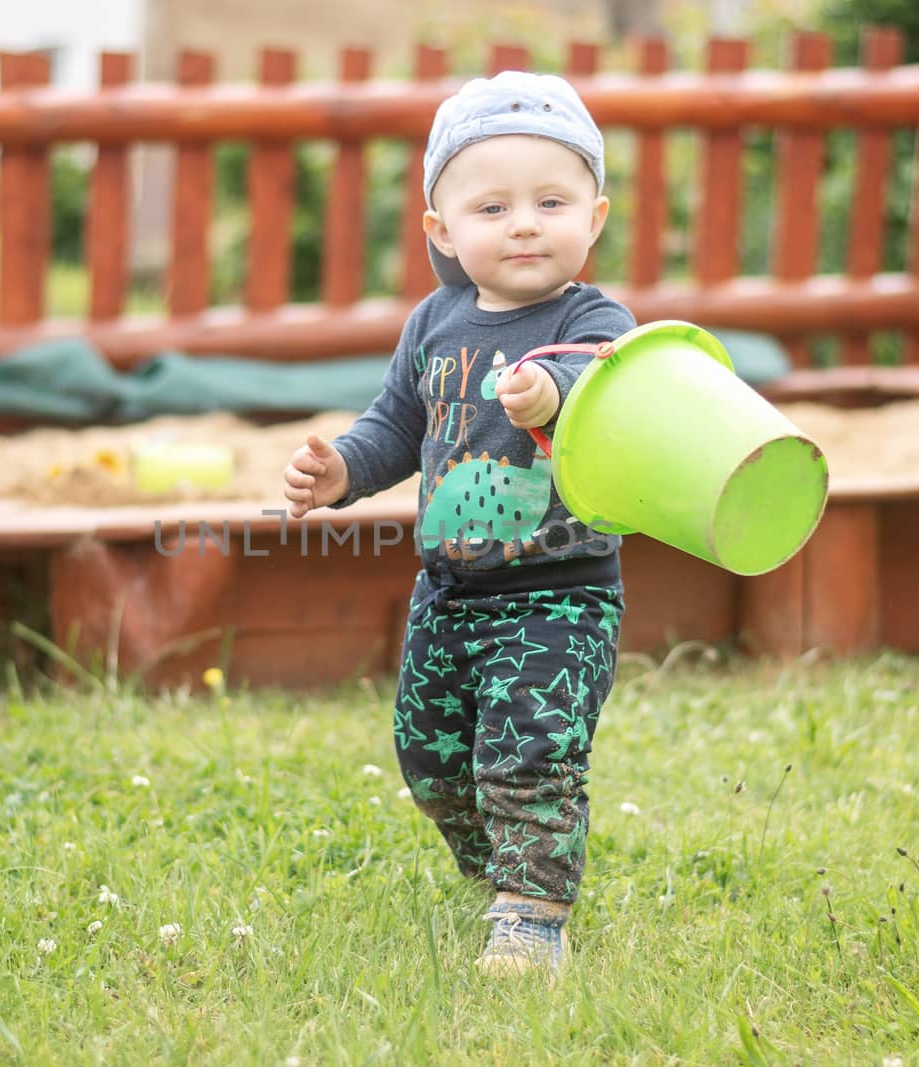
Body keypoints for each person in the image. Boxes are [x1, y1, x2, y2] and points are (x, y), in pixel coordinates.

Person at [282, 70, 635, 975]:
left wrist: (552, 389)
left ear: (593, 217)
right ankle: (501, 867)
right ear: (442, 230)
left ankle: (532, 911)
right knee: (432, 762)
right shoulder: (434, 324)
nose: (524, 222)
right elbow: (396, 424)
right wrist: (342, 472)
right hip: (447, 590)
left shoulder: (592, 319)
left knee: (529, 745)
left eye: (551, 201)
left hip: (560, 589)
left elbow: (608, 379)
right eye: (493, 206)